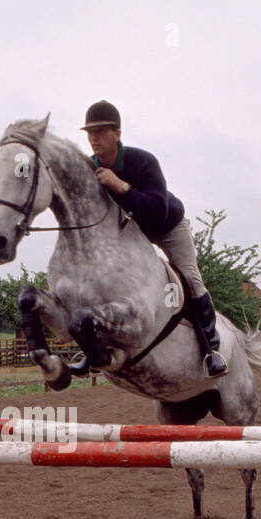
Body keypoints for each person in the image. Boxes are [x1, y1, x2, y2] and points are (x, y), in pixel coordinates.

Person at [76, 100, 228, 378]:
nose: (93, 138)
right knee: (101, 277)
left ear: (117, 134)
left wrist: (120, 185)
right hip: (132, 232)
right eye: (90, 133)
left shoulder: (143, 161)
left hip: (168, 225)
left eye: (100, 132)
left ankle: (211, 351)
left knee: (191, 279)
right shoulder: (90, 167)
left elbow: (158, 210)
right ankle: (92, 353)